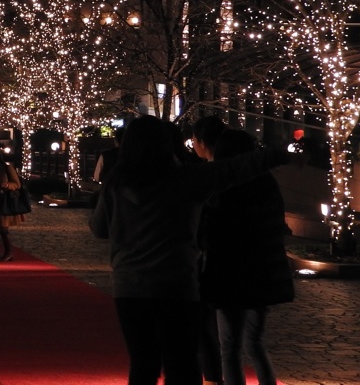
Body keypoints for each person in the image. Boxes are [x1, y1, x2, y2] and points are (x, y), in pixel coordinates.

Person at [89, 115, 288, 385]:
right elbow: (233, 168)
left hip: (130, 286)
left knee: (143, 362)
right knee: (181, 362)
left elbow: (100, 228)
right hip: (176, 284)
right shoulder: (186, 179)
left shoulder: (116, 182)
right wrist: (278, 155)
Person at [200, 129, 294, 385]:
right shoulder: (266, 182)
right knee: (255, 342)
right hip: (264, 270)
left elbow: (212, 228)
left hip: (229, 271)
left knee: (229, 347)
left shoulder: (222, 185)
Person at [192, 115, 228, 385]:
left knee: (208, 326)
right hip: (236, 259)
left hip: (210, 260)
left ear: (202, 142)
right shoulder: (238, 173)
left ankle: (213, 377)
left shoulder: (205, 177)